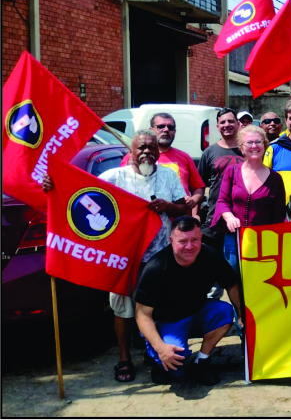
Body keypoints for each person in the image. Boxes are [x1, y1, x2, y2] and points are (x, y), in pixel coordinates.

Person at [45, 130, 188, 383]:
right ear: (131, 152)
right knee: (123, 309)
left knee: (156, 308)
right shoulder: (113, 177)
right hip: (123, 259)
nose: (146, 152)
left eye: (151, 148)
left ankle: (151, 350)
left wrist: (168, 207)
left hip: (158, 257)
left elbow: (183, 208)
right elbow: (80, 191)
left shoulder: (169, 175)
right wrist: (53, 184)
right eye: (141, 147)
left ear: (158, 151)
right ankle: (124, 358)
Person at [134, 216, 242, 386]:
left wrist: (241, 314)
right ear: (171, 240)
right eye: (183, 241)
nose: (190, 246)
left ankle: (202, 361)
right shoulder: (156, 267)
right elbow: (142, 315)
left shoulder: (211, 255)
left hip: (197, 311)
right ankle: (156, 356)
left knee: (225, 311)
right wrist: (161, 348)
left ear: (201, 238)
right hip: (167, 321)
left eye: (195, 240)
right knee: (176, 368)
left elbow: (231, 283)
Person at [212, 126, 286, 278]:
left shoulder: (275, 178)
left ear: (265, 145)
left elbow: (279, 216)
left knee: (260, 281)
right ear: (241, 148)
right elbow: (222, 201)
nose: (254, 146)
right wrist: (229, 217)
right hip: (235, 239)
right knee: (234, 281)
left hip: (263, 241)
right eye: (249, 143)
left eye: (258, 142)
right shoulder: (231, 171)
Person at [121, 112, 205, 219]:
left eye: (170, 127)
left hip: (177, 224)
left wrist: (193, 200)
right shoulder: (133, 158)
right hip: (143, 221)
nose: (166, 130)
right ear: (150, 129)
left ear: (175, 131)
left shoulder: (185, 157)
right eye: (161, 126)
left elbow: (198, 188)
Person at [197, 108, 244, 252]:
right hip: (215, 218)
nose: (227, 124)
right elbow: (199, 185)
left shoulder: (248, 149)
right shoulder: (209, 152)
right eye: (222, 122)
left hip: (243, 217)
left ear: (238, 124)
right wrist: (195, 215)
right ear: (217, 126)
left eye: (231, 121)